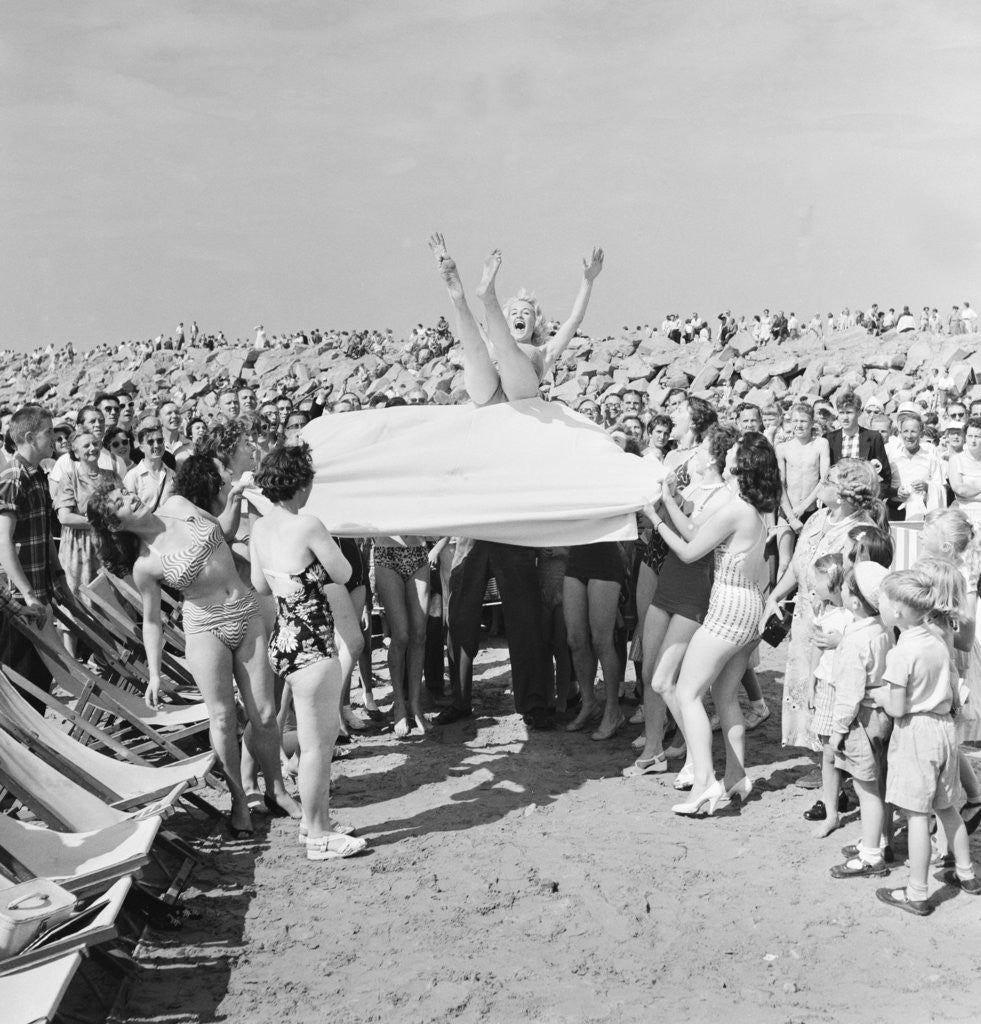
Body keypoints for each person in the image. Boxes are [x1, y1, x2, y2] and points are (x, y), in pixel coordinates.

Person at [87, 458, 301, 839]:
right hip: (206, 629)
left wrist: (234, 499)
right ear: (115, 524)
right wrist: (154, 674)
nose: (131, 497)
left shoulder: (180, 506)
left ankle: (276, 790)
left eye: (125, 491)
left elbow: (225, 532)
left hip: (246, 610)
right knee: (222, 719)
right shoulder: (145, 565)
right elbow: (151, 622)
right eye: (121, 501)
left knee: (265, 714)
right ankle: (238, 800)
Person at [644, 433, 781, 815]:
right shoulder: (747, 508)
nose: (728, 450)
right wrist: (669, 502)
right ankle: (736, 776)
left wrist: (655, 519)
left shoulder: (736, 508)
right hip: (748, 609)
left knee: (685, 693)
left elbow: (688, 551)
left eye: (735, 449)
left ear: (741, 466)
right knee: (724, 696)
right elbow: (694, 534)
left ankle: (704, 783)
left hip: (728, 610)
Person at [249, 445, 366, 861]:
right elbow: (345, 573)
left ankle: (313, 821)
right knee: (318, 746)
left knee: (314, 740)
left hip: (283, 640)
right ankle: (318, 834)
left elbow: (261, 586)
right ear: (301, 484)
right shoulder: (309, 524)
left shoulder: (259, 529)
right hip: (313, 643)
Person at [625, 423, 736, 779]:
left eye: (701, 449)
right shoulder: (693, 488)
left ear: (715, 457)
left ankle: (694, 754)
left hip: (694, 591)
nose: (695, 454)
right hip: (669, 582)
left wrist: (661, 511)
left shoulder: (724, 496)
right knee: (648, 670)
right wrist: (666, 495)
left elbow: (692, 538)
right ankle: (655, 748)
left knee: (669, 678)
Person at [874, 570, 979, 914]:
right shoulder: (936, 639)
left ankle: (917, 892)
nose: (881, 607)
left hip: (916, 733)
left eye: (884, 602)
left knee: (917, 815)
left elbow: (899, 707)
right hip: (944, 729)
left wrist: (878, 695)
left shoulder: (902, 652)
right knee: (947, 807)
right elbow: (950, 688)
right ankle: (967, 873)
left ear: (900, 611)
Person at [764, 460, 887, 753]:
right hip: (805, 620)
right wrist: (775, 596)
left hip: (838, 625)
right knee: (806, 686)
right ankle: (817, 756)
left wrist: (844, 636)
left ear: (843, 493)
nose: (822, 483)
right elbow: (797, 566)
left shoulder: (862, 534)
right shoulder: (818, 518)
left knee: (832, 693)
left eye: (829, 480)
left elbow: (866, 591)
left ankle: (833, 766)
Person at [429, 232, 603, 404]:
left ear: (536, 323)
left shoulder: (545, 351)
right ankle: (477, 295)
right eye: (514, 313)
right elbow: (466, 320)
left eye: (526, 313)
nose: (519, 314)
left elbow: (574, 320)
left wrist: (588, 281)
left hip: (518, 391)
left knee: (504, 348)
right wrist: (451, 285)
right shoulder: (498, 343)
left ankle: (489, 297)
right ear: (507, 322)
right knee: (474, 349)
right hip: (489, 392)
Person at [826, 562, 893, 879]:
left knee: (865, 788)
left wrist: (838, 731)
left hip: (860, 720)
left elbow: (849, 693)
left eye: (844, 587)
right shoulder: (882, 630)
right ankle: (878, 839)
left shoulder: (854, 642)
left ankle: (870, 856)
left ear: (854, 601)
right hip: (880, 715)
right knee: (878, 783)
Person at [0, 405, 66, 708]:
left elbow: (43, 531)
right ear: (29, 436)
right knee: (22, 686)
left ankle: (37, 750)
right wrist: (27, 595)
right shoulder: (14, 477)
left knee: (41, 680)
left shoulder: (38, 474)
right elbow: (3, 542)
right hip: (17, 602)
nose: (54, 437)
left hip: (38, 593)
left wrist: (59, 576)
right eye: (48, 432)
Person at [802, 553, 852, 837]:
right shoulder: (825, 612)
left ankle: (835, 799)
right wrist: (811, 682)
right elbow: (817, 649)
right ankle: (832, 803)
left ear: (833, 582)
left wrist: (840, 642)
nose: (813, 585)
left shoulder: (852, 615)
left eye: (818, 580)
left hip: (844, 686)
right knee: (827, 745)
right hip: (826, 683)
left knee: (839, 746)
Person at [373, 536, 432, 737]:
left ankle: (415, 705)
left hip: (418, 552)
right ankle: (399, 703)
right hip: (386, 552)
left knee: (419, 634)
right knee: (401, 635)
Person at [825, 391, 892, 495]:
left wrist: (873, 498)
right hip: (837, 498)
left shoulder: (873, 437)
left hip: (864, 500)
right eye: (841, 413)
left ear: (859, 413)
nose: (845, 418)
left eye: (849, 412)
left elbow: (885, 476)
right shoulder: (829, 439)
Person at [776, 403, 830, 531]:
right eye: (795, 421)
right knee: (784, 550)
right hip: (788, 510)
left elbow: (825, 479)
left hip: (811, 510)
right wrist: (791, 517)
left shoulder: (821, 444)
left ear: (812, 423)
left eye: (803, 421)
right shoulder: (782, 448)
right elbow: (780, 484)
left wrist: (803, 507)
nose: (798, 425)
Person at [123, 417, 176, 512]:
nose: (156, 445)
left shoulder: (172, 474)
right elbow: (127, 511)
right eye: (150, 442)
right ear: (142, 448)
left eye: (160, 441)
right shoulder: (132, 476)